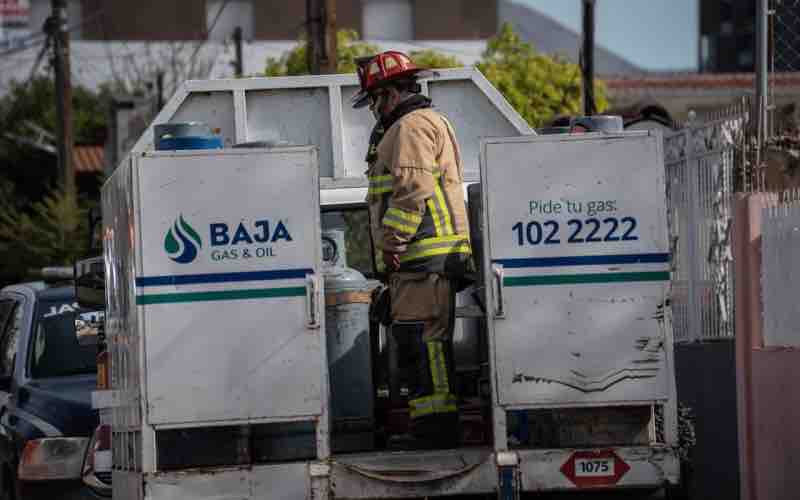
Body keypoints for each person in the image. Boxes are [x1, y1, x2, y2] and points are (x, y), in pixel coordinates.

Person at [353, 51, 473, 449]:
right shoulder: (417, 125)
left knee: (424, 347)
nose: (372, 109)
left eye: (373, 99)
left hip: (421, 260)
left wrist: (391, 248)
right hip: (421, 261)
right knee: (421, 345)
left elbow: (412, 193)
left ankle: (436, 432)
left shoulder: (410, 128)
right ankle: (431, 427)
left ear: (388, 94)